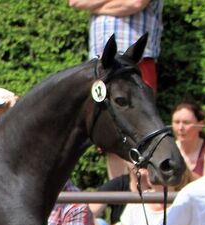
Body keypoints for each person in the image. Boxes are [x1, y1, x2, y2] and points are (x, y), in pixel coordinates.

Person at [69, 0, 163, 180]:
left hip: (136, 59)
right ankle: (119, 202)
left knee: (140, 132)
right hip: (100, 62)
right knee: (110, 136)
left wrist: (96, 6)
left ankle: (138, 199)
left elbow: (135, 3)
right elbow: (75, 2)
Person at [171, 101, 205, 180]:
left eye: (186, 123)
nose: (180, 128)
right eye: (176, 122)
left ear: (200, 125)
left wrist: (184, 172)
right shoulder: (168, 149)